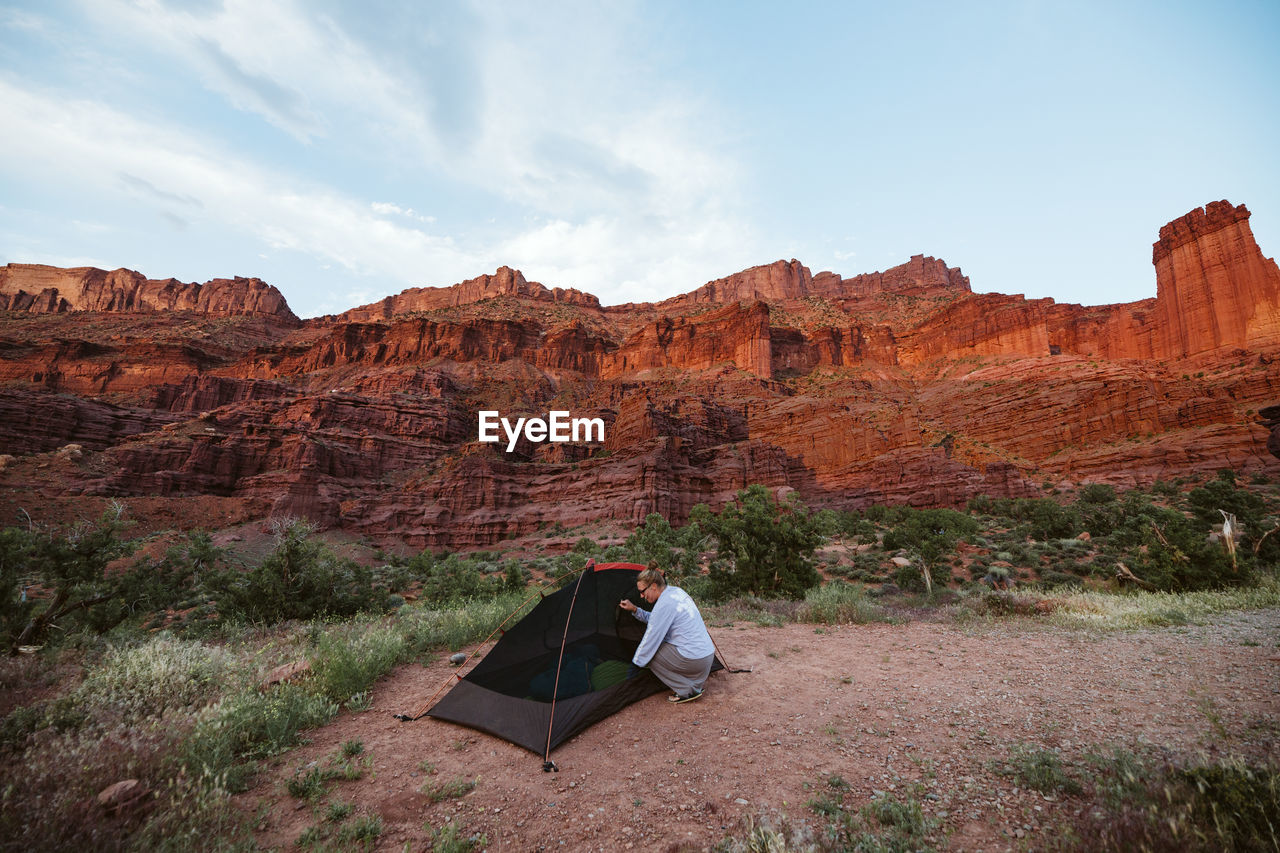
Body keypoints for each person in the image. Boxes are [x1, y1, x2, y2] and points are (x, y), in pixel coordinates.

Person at [619, 567, 715, 703]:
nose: (641, 595)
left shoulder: (664, 604)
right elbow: (656, 618)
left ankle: (686, 690)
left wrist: (634, 668)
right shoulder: (676, 592)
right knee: (657, 648)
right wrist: (635, 609)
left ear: (653, 586)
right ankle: (694, 684)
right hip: (706, 657)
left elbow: (650, 641)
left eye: (642, 591)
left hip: (694, 660)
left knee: (650, 653)